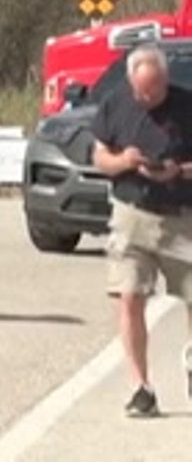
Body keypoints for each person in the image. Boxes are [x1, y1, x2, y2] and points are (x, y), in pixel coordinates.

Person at [87, 42, 192, 419]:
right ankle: (140, 387)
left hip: (182, 217)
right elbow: (99, 156)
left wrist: (178, 171)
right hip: (131, 213)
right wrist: (124, 161)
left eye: (154, 90)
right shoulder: (116, 103)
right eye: (140, 91)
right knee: (129, 295)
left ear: (165, 79)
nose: (146, 98)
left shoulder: (186, 106)